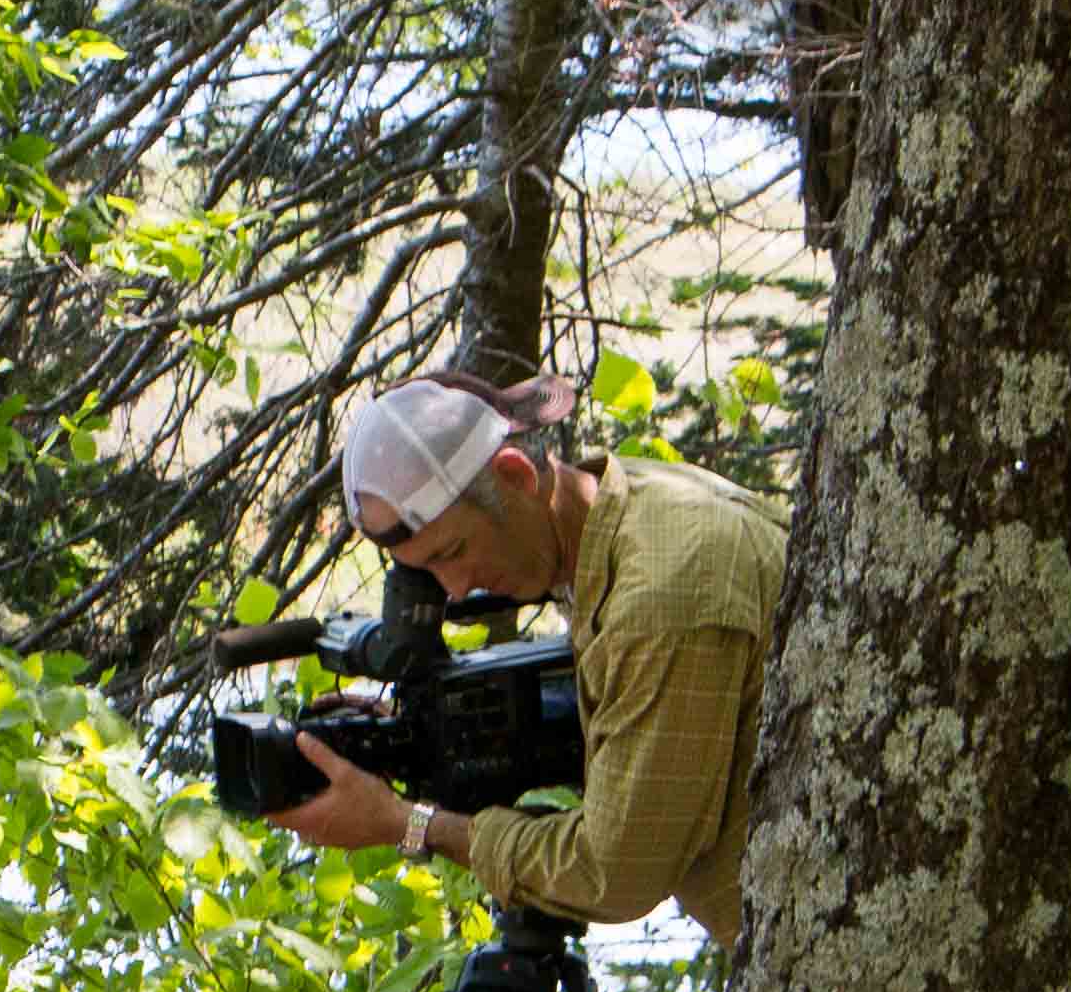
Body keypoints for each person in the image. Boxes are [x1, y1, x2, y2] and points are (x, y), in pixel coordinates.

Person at [270, 371, 787, 943]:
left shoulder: (664, 595)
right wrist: (417, 733)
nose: (457, 589)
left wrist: (407, 824)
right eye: (429, 571)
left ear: (514, 475)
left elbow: (613, 875)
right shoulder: (629, 506)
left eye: (456, 551)